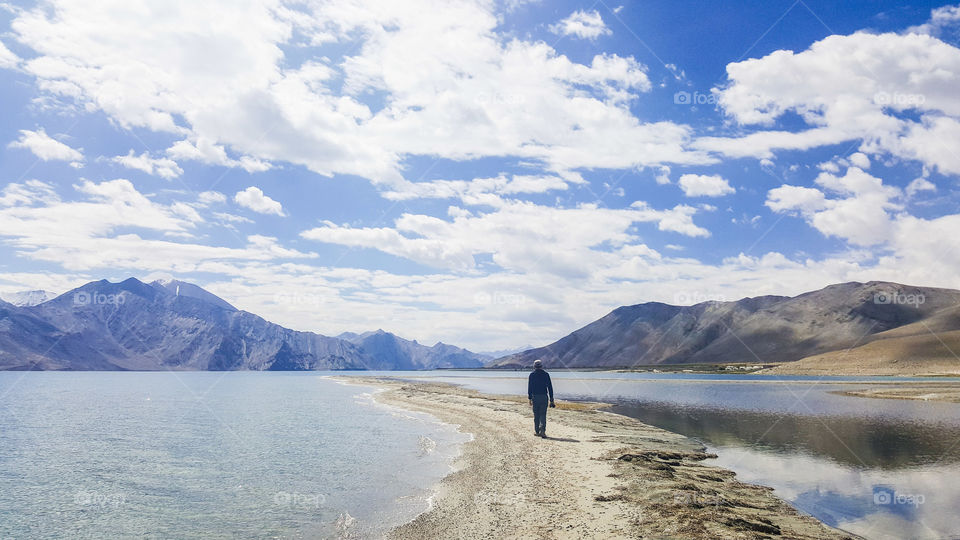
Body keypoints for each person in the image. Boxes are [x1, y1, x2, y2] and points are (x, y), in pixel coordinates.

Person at [527, 359, 555, 437]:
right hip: (544, 397)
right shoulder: (546, 374)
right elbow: (550, 387)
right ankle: (542, 430)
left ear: (534, 366)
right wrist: (551, 399)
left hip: (535, 397)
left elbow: (530, 387)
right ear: (541, 366)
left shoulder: (532, 375)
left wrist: (529, 398)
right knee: (543, 414)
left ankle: (537, 431)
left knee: (536, 415)